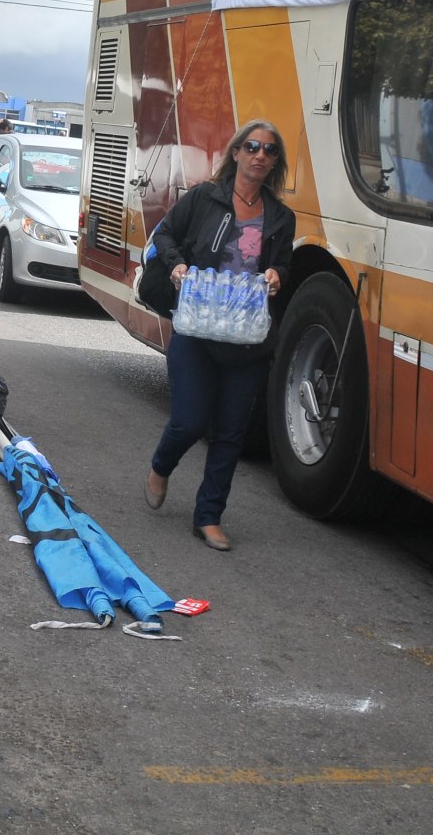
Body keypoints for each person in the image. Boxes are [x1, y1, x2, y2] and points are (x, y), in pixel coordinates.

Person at [142, 119, 293, 552]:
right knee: (189, 420)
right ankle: (161, 466)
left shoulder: (280, 217)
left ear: (275, 162)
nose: (260, 155)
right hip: (197, 326)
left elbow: (284, 264)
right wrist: (176, 264)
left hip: (245, 335)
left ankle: (208, 516)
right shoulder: (204, 198)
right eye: (253, 146)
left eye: (270, 150)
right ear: (237, 152)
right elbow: (164, 235)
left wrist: (277, 274)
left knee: (230, 431)